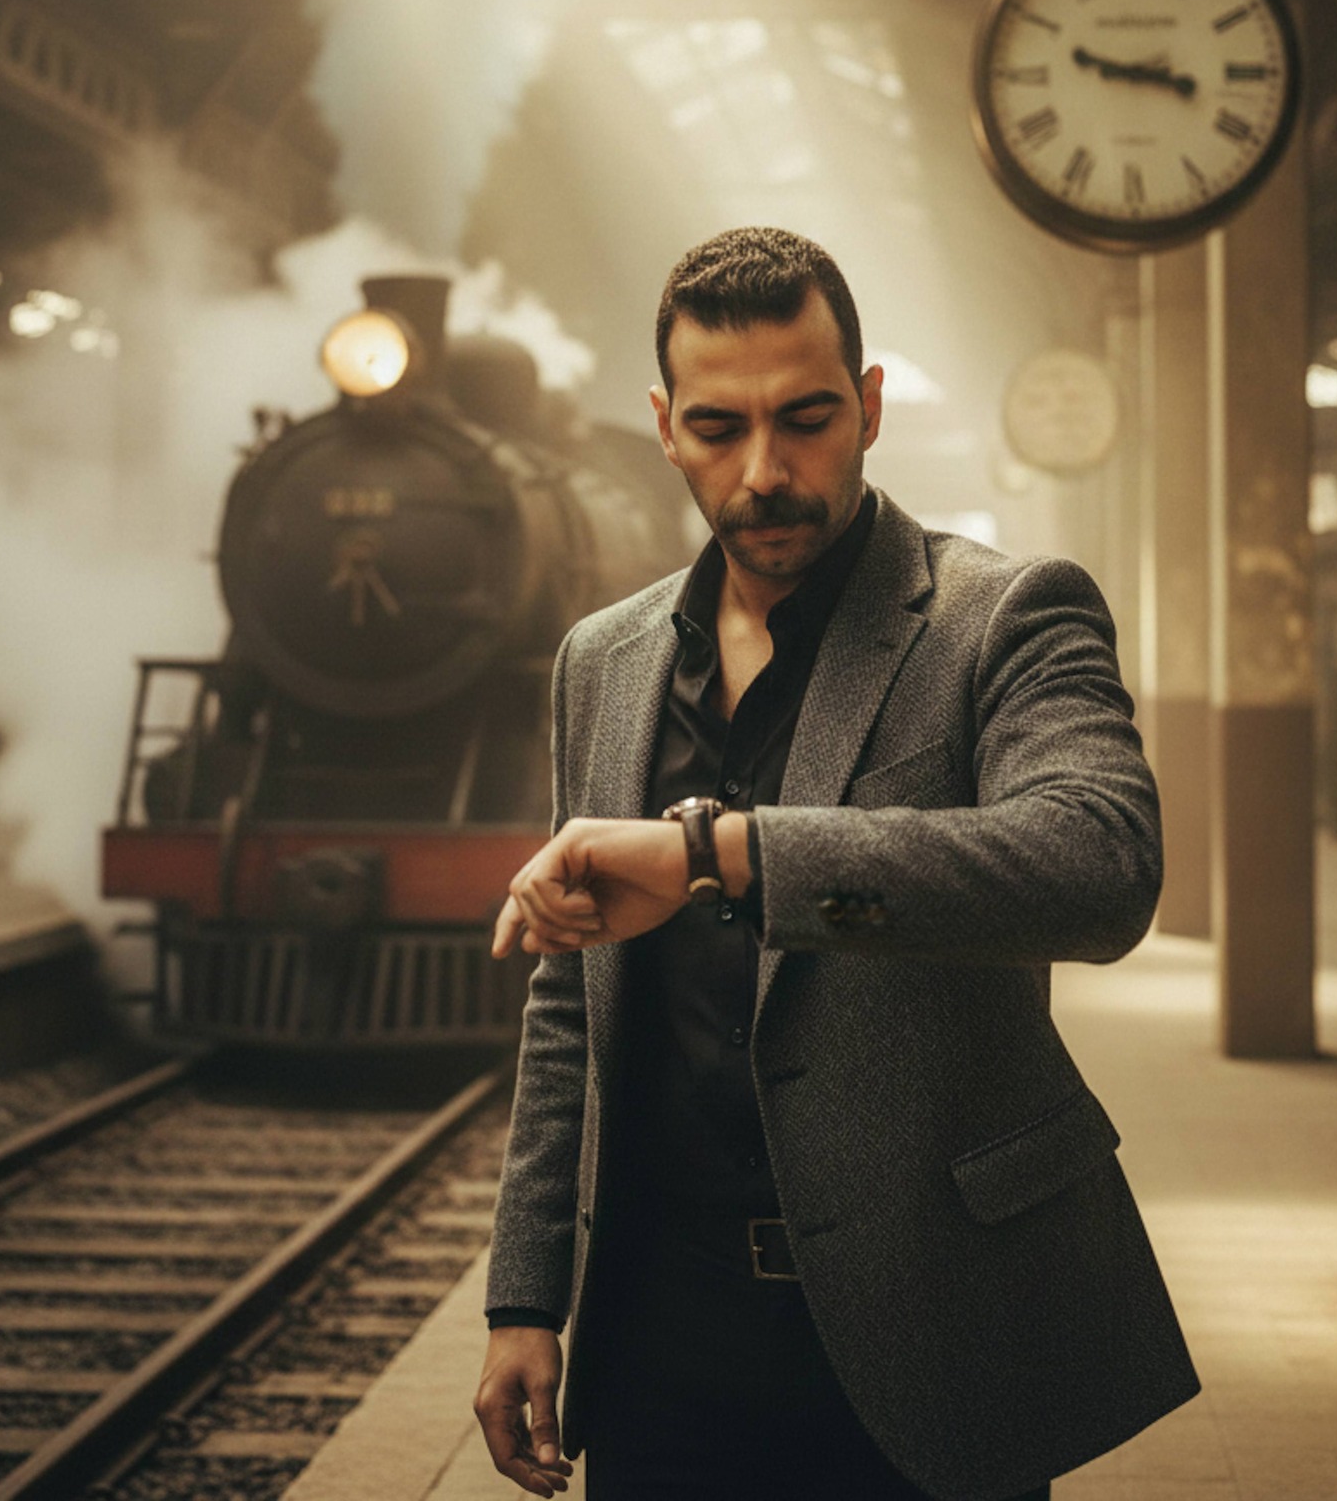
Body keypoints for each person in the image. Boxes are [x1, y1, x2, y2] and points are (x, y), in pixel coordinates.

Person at [473, 227, 1198, 1501]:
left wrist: (727, 852)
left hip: (928, 1327)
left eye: (805, 418)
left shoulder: (1003, 613)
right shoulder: (604, 658)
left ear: (867, 405)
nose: (764, 472)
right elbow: (569, 1002)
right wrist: (525, 1295)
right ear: (664, 426)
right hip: (657, 1343)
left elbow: (1099, 862)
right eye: (717, 427)